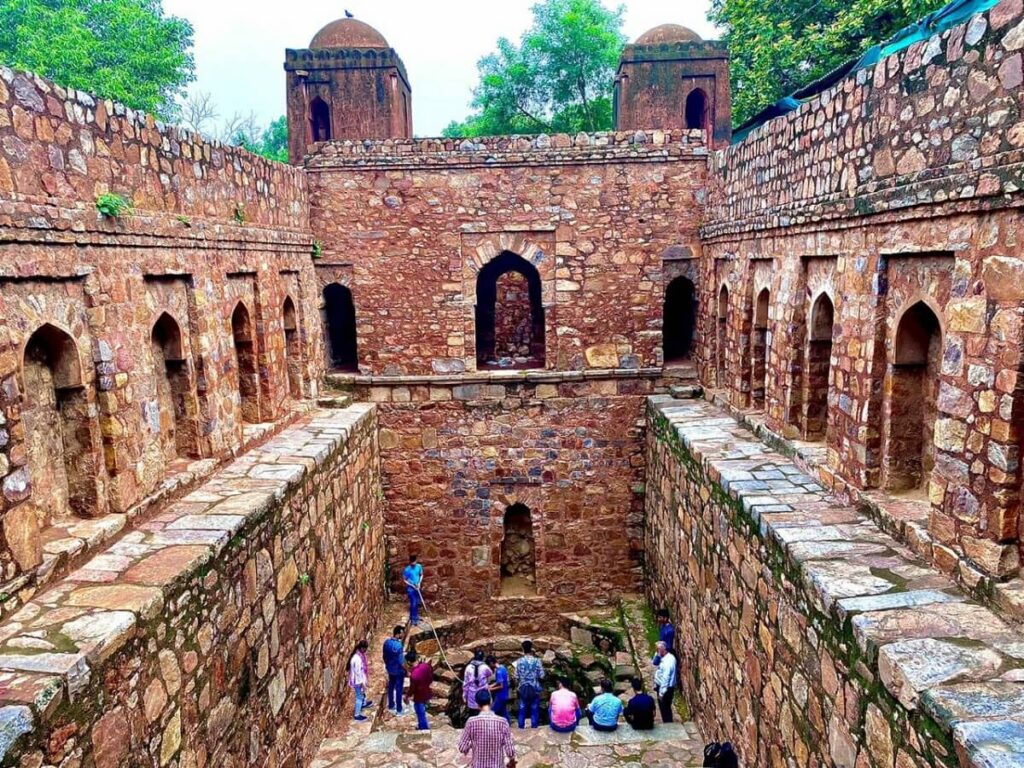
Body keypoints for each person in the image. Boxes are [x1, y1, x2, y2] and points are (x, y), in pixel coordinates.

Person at [457, 689, 517, 768]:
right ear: (491, 701)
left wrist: (472, 744)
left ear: (477, 704)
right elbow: (510, 751)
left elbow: (462, 748)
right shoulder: (503, 722)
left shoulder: (471, 722)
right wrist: (512, 761)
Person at [513, 640, 545, 729]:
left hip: (523, 688)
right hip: (534, 688)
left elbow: (515, 676)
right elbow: (542, 676)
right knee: (534, 708)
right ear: (531, 649)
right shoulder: (537, 661)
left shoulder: (519, 661)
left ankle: (521, 728)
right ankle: (534, 727)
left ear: (523, 649)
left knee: (522, 707)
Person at [405, 650, 433, 731]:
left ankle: (423, 727)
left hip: (419, 695)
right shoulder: (426, 666)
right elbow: (430, 677)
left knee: (420, 711)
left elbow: (412, 689)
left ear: (409, 662)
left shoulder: (414, 675)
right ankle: (422, 725)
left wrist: (407, 697)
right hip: (427, 691)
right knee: (423, 708)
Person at [347, 640, 373, 721]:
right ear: (362, 648)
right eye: (365, 649)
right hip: (357, 681)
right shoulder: (357, 659)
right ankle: (357, 714)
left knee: (363, 693)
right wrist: (362, 682)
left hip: (358, 679)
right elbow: (358, 672)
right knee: (359, 697)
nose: (365, 651)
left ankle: (364, 703)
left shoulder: (357, 655)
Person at [653, 641, 678, 724]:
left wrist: (661, 693)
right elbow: (654, 662)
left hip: (666, 689)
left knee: (665, 708)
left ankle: (668, 724)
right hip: (660, 686)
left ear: (662, 650)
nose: (656, 652)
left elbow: (666, 679)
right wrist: (658, 655)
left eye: (657, 650)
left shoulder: (668, 662)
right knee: (664, 708)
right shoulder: (661, 655)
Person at [382, 625, 405, 715]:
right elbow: (401, 662)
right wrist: (407, 670)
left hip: (390, 668)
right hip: (398, 671)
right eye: (402, 633)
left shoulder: (386, 643)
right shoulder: (399, 646)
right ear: (398, 634)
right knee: (399, 689)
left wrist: (388, 664)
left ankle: (391, 704)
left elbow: (384, 656)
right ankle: (399, 709)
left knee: (391, 686)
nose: (402, 635)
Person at [487, 654, 511, 722]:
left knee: (492, 711)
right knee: (504, 712)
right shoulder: (503, 667)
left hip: (500, 695)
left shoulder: (498, 671)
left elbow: (501, 686)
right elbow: (499, 681)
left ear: (491, 663)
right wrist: (491, 685)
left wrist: (490, 689)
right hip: (505, 694)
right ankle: (507, 725)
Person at [403, 554, 424, 626]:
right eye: (412, 563)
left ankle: (416, 617)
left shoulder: (419, 567)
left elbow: (421, 575)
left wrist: (419, 583)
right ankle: (413, 619)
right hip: (411, 589)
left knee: (417, 602)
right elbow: (405, 580)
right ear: (410, 562)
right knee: (413, 603)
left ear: (416, 561)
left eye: (414, 562)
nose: (413, 564)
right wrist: (412, 585)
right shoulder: (407, 569)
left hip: (418, 588)